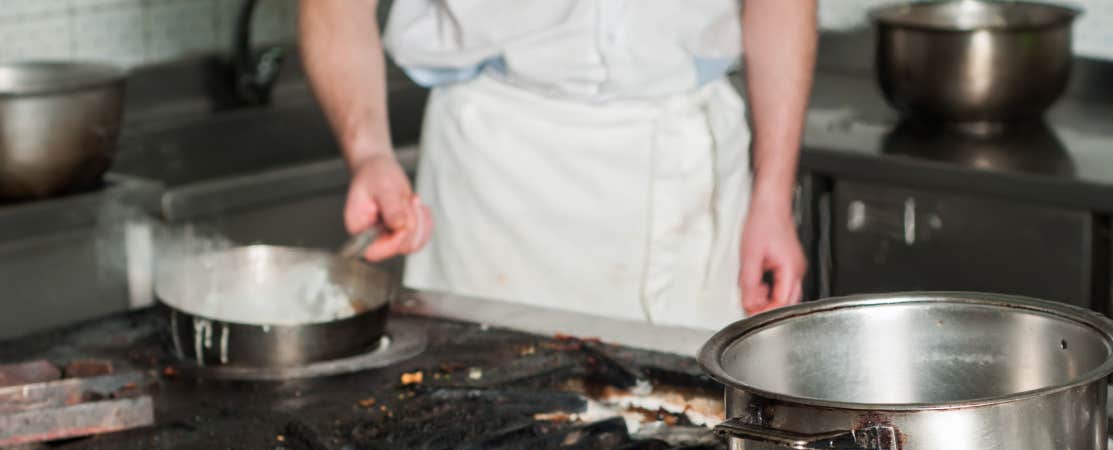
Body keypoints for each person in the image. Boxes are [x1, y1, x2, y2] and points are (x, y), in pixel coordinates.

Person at [298, 0, 815, 330]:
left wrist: (772, 197)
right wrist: (369, 153)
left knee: (694, 442)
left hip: (694, 166)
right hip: (494, 172)